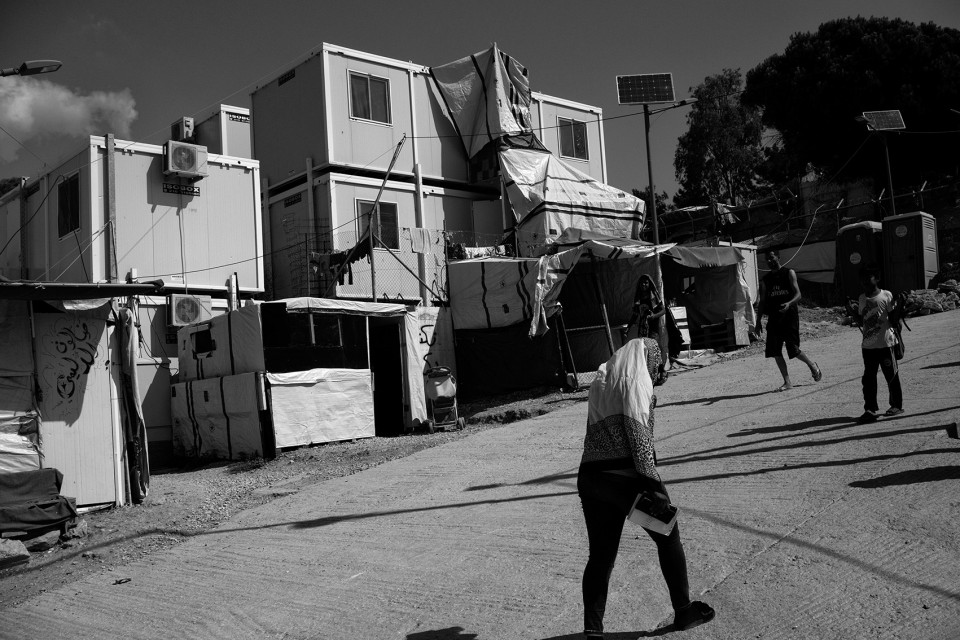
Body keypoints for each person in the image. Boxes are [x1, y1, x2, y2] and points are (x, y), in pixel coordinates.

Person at [577, 337, 715, 638]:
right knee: (669, 534)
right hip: (625, 480)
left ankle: (593, 631)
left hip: (591, 478)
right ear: (647, 360)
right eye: (657, 363)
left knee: (601, 556)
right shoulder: (636, 382)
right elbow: (638, 439)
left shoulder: (602, 380)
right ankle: (684, 612)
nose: (658, 370)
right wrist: (656, 488)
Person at [756, 248, 822, 391]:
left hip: (789, 317)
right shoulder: (766, 280)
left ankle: (812, 365)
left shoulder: (789, 273)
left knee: (793, 349)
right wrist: (757, 322)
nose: (769, 261)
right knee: (775, 351)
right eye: (767, 259)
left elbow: (798, 295)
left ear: (778, 257)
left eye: (772, 257)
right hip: (774, 319)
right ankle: (787, 382)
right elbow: (762, 302)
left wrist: (789, 303)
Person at [847, 265, 903, 423]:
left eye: (868, 277)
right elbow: (861, 321)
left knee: (891, 376)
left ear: (876, 279)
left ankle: (896, 405)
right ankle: (870, 409)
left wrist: (900, 304)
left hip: (886, 344)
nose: (864, 281)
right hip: (868, 347)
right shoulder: (862, 298)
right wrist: (850, 310)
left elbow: (893, 319)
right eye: (862, 278)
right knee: (868, 379)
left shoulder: (886, 295)